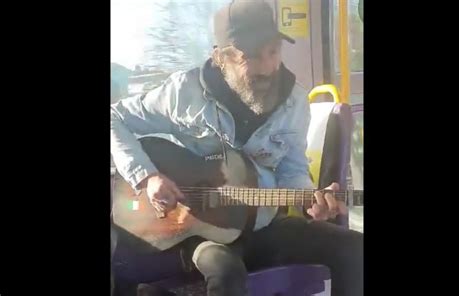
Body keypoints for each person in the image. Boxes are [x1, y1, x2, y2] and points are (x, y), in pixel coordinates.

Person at [111, 1, 363, 295]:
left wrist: (310, 202)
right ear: (221, 58)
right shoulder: (184, 91)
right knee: (226, 273)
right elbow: (115, 117)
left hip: (262, 226)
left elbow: (292, 169)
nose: (268, 67)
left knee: (354, 248)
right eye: (250, 56)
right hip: (201, 230)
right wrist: (147, 176)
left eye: (273, 51)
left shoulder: (295, 104)